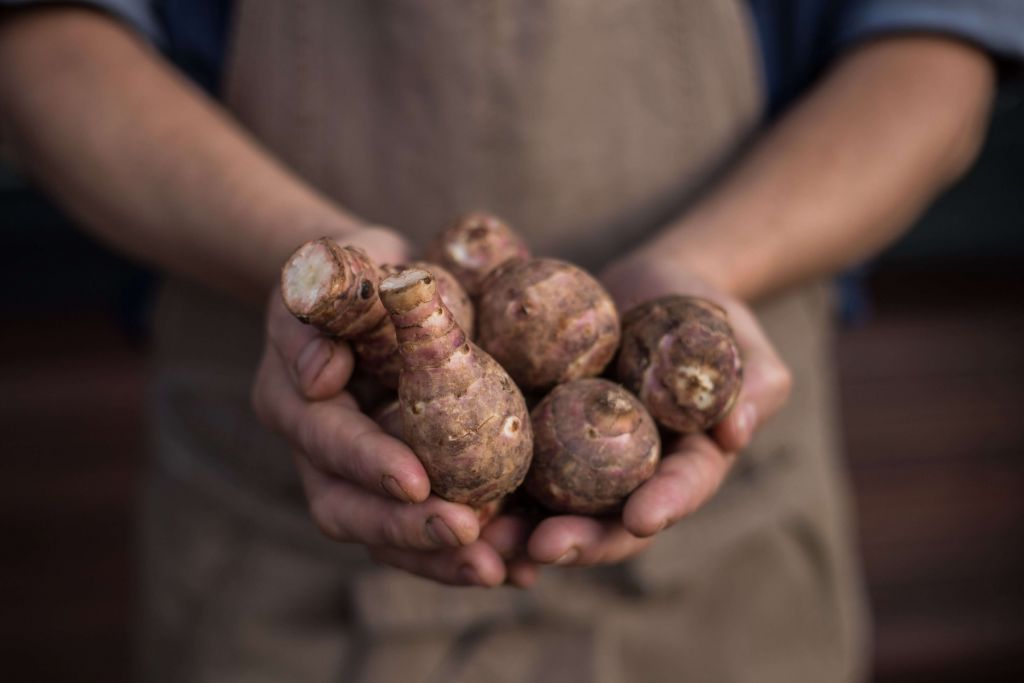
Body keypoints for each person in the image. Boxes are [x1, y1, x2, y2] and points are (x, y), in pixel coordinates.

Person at [1, 2, 1020, 681]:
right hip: (276, 546)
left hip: (725, 570)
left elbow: (935, 47)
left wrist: (706, 272)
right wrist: (303, 266)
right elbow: (42, 48)